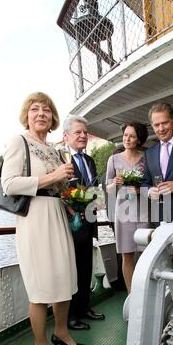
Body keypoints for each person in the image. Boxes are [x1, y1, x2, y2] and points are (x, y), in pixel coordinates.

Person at [1, 92, 89, 345]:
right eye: (35, 109)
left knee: (64, 280)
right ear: (27, 115)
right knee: (41, 288)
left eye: (47, 110)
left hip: (57, 216)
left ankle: (61, 332)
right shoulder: (19, 142)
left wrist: (72, 197)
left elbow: (60, 186)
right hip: (35, 219)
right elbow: (9, 184)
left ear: (53, 119)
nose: (42, 114)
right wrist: (52, 177)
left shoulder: (54, 150)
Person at [63, 115, 105, 330]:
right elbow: (61, 192)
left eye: (84, 132)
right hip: (71, 224)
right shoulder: (61, 160)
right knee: (72, 270)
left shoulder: (88, 160)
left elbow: (94, 187)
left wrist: (98, 200)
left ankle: (84, 308)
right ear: (66, 136)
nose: (82, 136)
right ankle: (70, 316)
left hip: (89, 220)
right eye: (77, 132)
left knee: (86, 266)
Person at [106, 122, 149, 294]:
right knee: (127, 254)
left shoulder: (146, 159)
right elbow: (107, 189)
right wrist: (113, 184)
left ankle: (145, 293)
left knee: (145, 254)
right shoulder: (114, 159)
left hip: (144, 211)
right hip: (123, 212)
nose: (127, 139)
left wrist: (139, 190)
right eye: (125, 135)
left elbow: (153, 185)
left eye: (131, 136)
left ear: (139, 139)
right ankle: (132, 296)